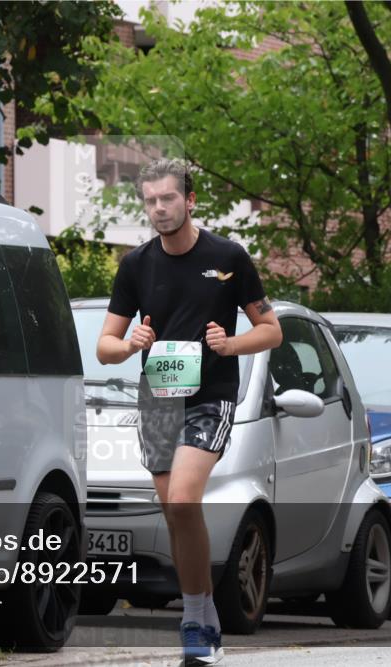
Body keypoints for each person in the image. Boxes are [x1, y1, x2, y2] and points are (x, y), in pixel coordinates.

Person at [96, 158, 282, 666]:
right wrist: (130, 343)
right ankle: (204, 613)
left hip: (210, 396)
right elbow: (105, 347)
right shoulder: (136, 265)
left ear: (190, 200)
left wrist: (230, 345)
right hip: (158, 398)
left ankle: (194, 619)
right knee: (175, 513)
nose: (159, 208)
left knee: (182, 499)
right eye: (151, 200)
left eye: (168, 198)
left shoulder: (228, 257)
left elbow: (272, 331)